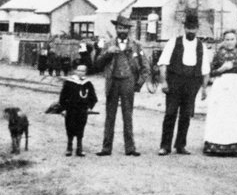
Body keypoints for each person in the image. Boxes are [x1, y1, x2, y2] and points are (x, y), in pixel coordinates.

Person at [94, 15, 149, 156]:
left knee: (128, 115)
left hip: (128, 82)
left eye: (124, 27)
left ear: (128, 29)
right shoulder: (108, 44)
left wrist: (139, 84)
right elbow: (97, 64)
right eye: (119, 27)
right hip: (112, 82)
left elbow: (145, 67)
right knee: (110, 116)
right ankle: (106, 148)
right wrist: (108, 53)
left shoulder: (136, 45)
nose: (122, 30)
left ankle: (130, 148)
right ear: (116, 28)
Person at [157, 10, 210, 156]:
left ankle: (180, 145)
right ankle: (165, 146)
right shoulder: (174, 42)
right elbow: (163, 63)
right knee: (170, 113)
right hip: (174, 82)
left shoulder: (201, 46)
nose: (191, 31)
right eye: (188, 28)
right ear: (184, 28)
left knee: (186, 115)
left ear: (197, 29)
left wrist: (204, 89)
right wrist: (163, 82)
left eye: (193, 28)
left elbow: (205, 70)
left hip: (192, 84)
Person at [204, 29, 237, 156]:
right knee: (220, 113)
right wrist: (222, 69)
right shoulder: (218, 54)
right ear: (223, 40)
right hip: (221, 85)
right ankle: (216, 143)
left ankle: (234, 144)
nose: (229, 42)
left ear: (236, 40)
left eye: (232, 39)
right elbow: (211, 72)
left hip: (236, 85)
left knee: (234, 114)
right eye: (227, 39)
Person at [58, 62, 98, 156]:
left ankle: (79, 148)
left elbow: (93, 98)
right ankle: (69, 147)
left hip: (82, 109)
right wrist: (63, 109)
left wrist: (89, 107)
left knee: (80, 128)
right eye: (79, 70)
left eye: (83, 71)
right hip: (71, 109)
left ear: (85, 72)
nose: (80, 72)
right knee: (70, 127)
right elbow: (63, 97)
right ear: (75, 71)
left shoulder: (88, 84)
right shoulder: (69, 82)